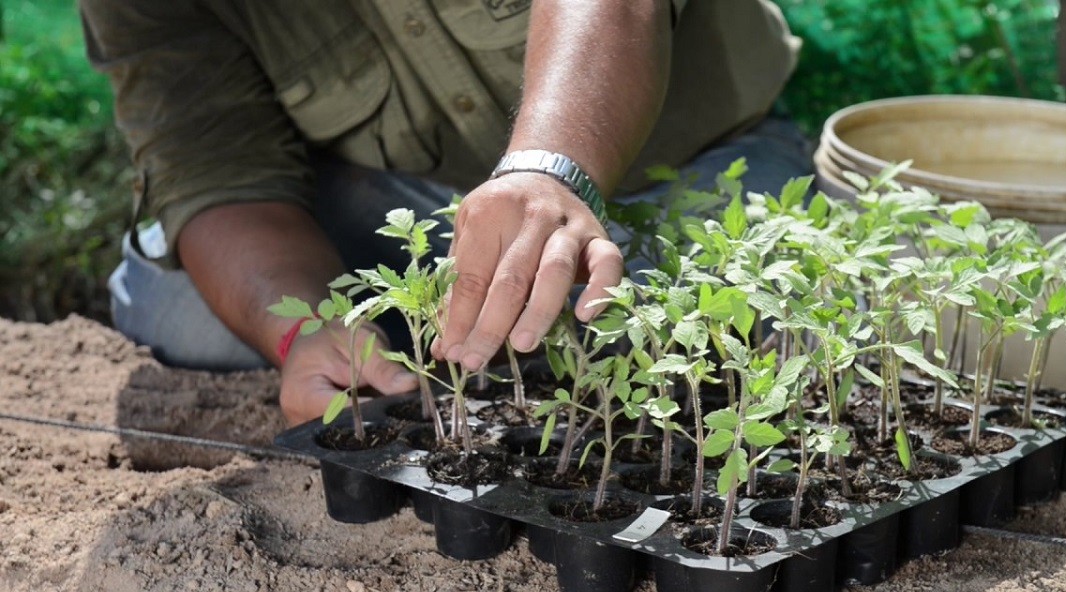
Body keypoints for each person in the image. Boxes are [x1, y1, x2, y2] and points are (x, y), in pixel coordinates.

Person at [80, 0, 812, 426]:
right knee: (175, 302)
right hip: (414, 206)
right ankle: (475, 327)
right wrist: (304, 332)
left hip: (685, 169)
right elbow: (213, 163)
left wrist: (551, 170)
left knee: (727, 315)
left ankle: (517, 320)